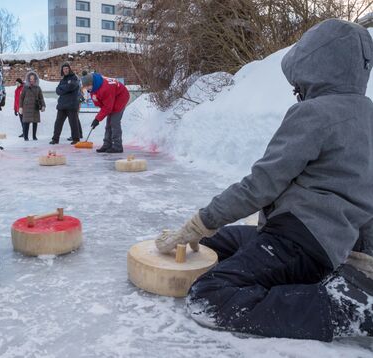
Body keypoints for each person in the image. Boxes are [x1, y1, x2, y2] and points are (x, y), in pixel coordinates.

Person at [155, 19, 373, 342]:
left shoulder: (314, 114)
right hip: (317, 244)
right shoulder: (367, 115)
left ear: (315, 66)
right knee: (219, 242)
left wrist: (202, 222)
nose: (296, 90)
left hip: (298, 242)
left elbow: (260, 185)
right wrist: (364, 259)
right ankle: (313, 284)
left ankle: (337, 308)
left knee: (209, 294)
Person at [80, 72, 130, 153]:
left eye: (87, 86)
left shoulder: (105, 88)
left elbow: (107, 107)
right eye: (85, 87)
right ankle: (107, 145)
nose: (86, 89)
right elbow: (102, 104)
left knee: (114, 122)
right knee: (108, 124)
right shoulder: (94, 87)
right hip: (112, 98)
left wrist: (97, 119)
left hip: (121, 97)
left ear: (91, 83)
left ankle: (117, 146)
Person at [50, 62, 83, 145]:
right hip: (62, 105)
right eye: (64, 69)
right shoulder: (62, 80)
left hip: (71, 105)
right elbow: (57, 90)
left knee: (73, 123)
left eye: (67, 68)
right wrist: (64, 88)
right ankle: (55, 139)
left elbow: (71, 87)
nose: (65, 70)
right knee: (58, 123)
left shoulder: (74, 78)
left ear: (69, 69)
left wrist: (62, 89)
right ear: (62, 70)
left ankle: (76, 139)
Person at [19, 71, 45, 141]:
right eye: (30, 79)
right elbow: (21, 98)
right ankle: (26, 137)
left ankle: (34, 136)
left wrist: (43, 106)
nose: (32, 81)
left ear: (36, 79)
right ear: (28, 79)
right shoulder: (25, 88)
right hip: (26, 108)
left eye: (33, 79)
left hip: (35, 107)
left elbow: (41, 98)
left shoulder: (38, 88)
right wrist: (20, 107)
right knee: (26, 123)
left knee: (35, 122)